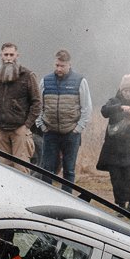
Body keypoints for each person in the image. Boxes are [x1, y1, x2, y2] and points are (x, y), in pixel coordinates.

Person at [95, 75, 130, 212]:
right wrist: (120, 108)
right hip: (114, 148)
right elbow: (104, 111)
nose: (128, 93)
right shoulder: (113, 101)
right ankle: (120, 205)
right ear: (121, 90)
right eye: (126, 91)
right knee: (117, 179)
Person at [37, 49, 92, 179]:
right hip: (50, 132)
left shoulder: (80, 81)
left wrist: (78, 129)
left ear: (69, 65)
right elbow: (38, 105)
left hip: (71, 133)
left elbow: (87, 108)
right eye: (57, 65)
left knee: (69, 171)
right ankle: (47, 198)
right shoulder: (45, 81)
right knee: (47, 169)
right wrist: (41, 125)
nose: (59, 69)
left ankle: (66, 197)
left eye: (62, 66)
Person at [0, 43, 41, 161]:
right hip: (0, 131)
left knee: (21, 168)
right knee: (4, 170)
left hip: (20, 130)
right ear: (1, 56)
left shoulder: (27, 76)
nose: (8, 58)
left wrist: (27, 126)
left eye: (11, 54)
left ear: (17, 56)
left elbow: (37, 103)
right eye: (6, 54)